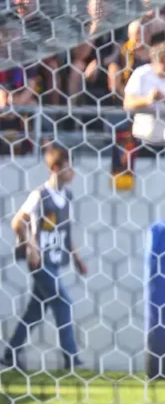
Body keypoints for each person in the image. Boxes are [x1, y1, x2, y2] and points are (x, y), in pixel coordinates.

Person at [4, 144, 87, 372]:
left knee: (35, 311)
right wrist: (31, 246)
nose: (73, 173)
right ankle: (72, 359)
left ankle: (9, 354)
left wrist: (77, 258)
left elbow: (65, 231)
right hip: (40, 263)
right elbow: (17, 222)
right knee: (64, 302)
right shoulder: (39, 195)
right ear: (56, 167)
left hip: (55, 260)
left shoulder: (67, 196)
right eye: (69, 167)